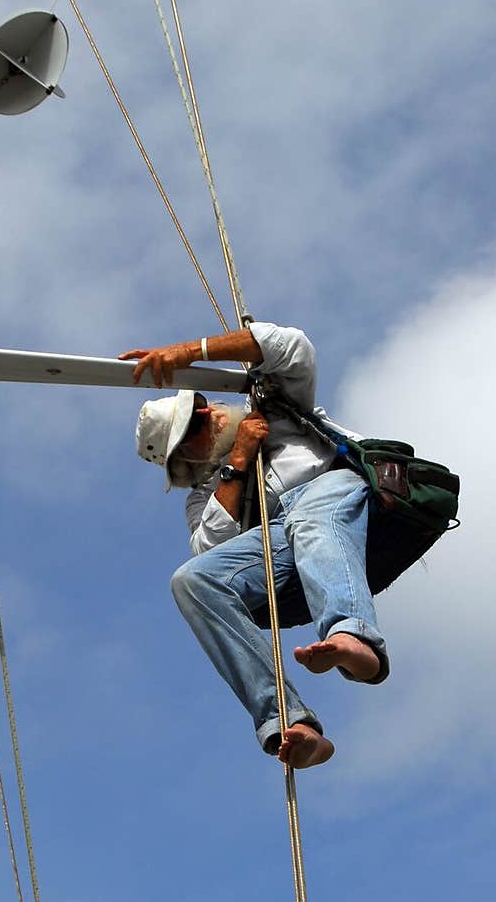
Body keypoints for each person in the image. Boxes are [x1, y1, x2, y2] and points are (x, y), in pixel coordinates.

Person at [119, 320, 393, 771]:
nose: (209, 415)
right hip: (285, 538)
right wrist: (239, 462)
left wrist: (189, 352)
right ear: (187, 458)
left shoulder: (278, 409)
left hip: (334, 488)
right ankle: (288, 721)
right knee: (191, 581)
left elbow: (293, 346)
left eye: (201, 407)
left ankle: (354, 636)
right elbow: (210, 547)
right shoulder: (205, 495)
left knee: (307, 515)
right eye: (194, 427)